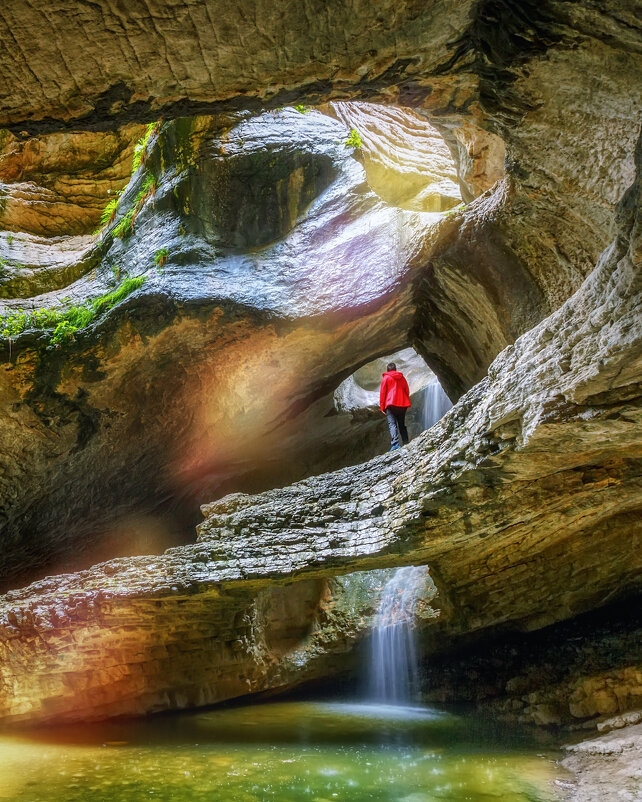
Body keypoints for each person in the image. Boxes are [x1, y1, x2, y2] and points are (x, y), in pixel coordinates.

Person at [379, 361, 411, 451]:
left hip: (390, 404)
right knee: (402, 424)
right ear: (395, 369)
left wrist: (382, 407)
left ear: (387, 370)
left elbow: (382, 393)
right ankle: (406, 442)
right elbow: (406, 390)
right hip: (402, 405)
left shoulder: (386, 378)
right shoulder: (402, 378)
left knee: (392, 425)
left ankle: (395, 444)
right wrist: (404, 400)